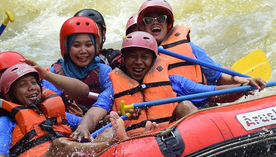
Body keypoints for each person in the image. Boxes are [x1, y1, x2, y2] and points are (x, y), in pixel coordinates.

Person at [0, 63, 124, 157]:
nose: (31, 87)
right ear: (11, 95)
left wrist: (112, 118)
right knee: (59, 145)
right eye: (23, 85)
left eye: (34, 82)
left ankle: (112, 143)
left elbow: (90, 125)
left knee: (107, 130)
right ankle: (115, 146)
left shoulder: (53, 112)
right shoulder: (4, 122)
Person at [108, 32, 265, 136]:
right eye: (133, 57)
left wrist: (243, 87)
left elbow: (212, 91)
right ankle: (125, 139)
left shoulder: (173, 81)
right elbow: (98, 113)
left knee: (185, 105)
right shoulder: (112, 85)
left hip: (166, 139)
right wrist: (116, 118)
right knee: (109, 130)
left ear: (153, 60)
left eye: (145, 57)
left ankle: (204, 141)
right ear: (124, 59)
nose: (139, 62)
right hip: (131, 141)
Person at [135, 0, 262, 92]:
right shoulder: (134, 58)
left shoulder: (189, 49)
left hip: (197, 103)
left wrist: (244, 81)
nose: (155, 22)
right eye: (148, 20)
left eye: (161, 19)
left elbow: (219, 74)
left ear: (168, 24)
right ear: (141, 26)